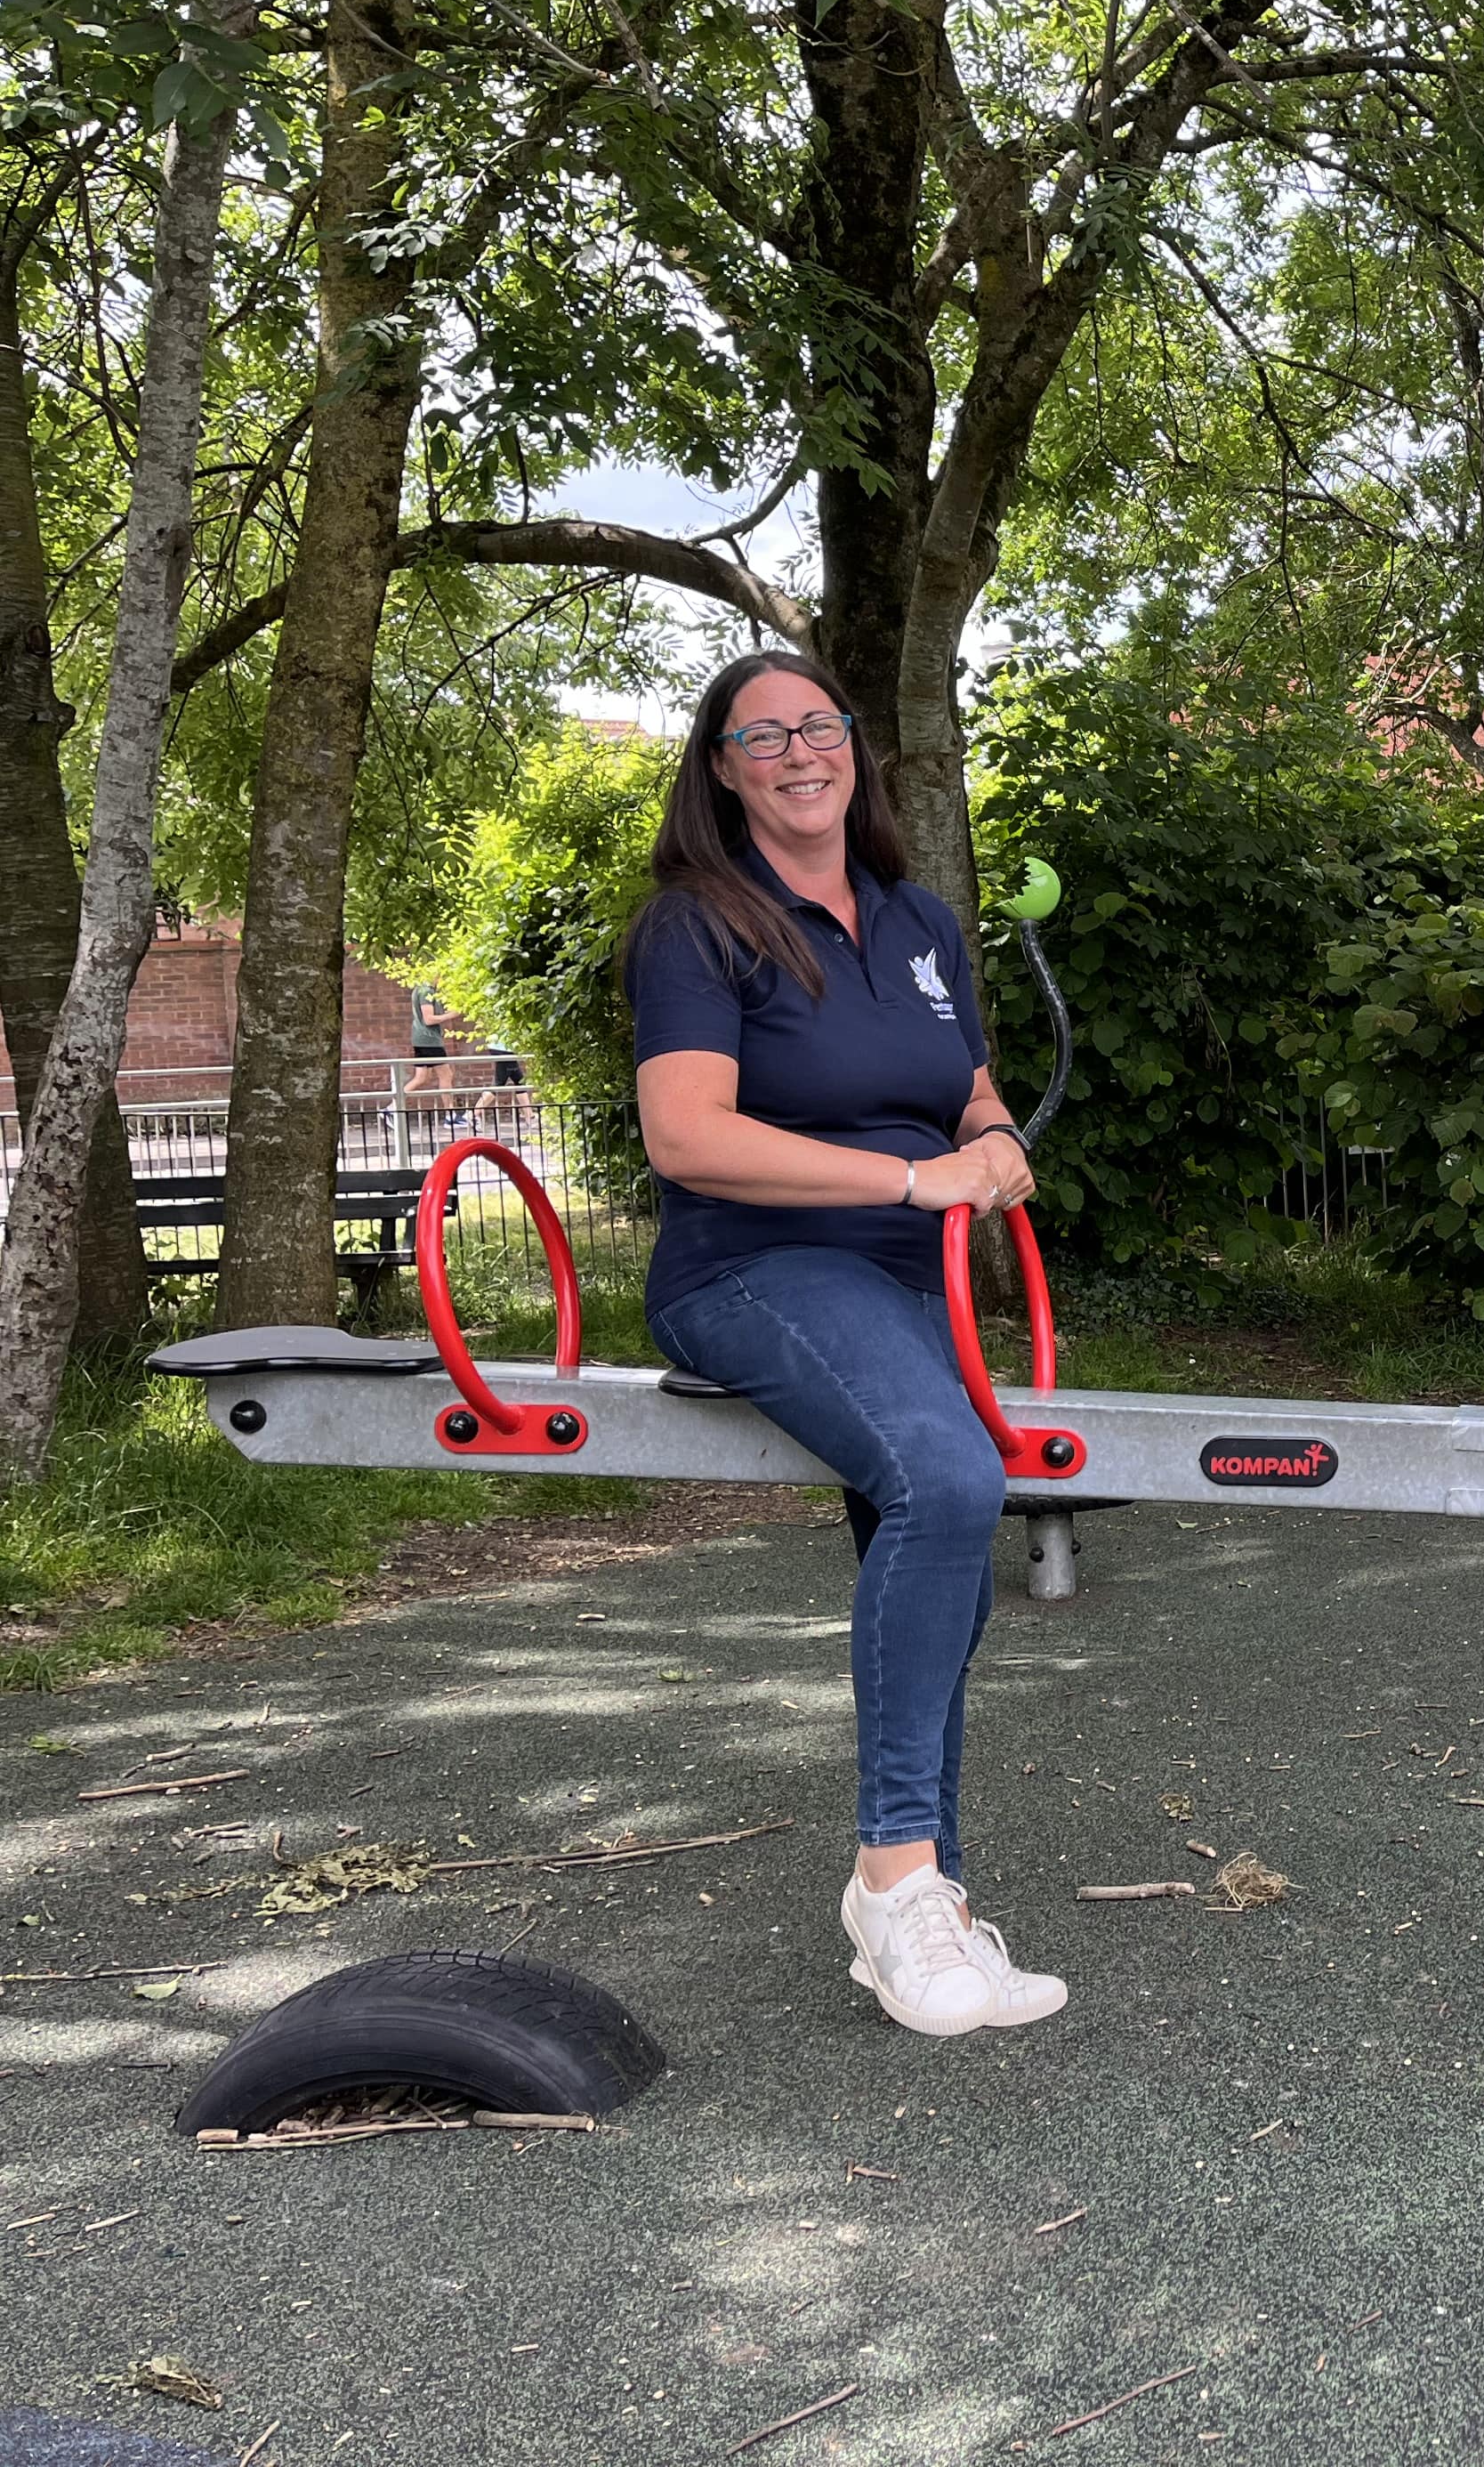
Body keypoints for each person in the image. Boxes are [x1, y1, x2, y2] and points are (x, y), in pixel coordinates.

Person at [625, 649, 1067, 2040]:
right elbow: (685, 1133)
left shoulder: (919, 919)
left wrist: (989, 1139)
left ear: (854, 748)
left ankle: (925, 1899)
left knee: (942, 1543)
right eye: (764, 736)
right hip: (756, 1267)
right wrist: (908, 1181)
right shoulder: (698, 925)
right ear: (723, 769)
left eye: (820, 726)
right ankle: (895, 1881)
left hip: (907, 1285)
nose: (800, 751)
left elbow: (963, 1085)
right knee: (948, 1482)